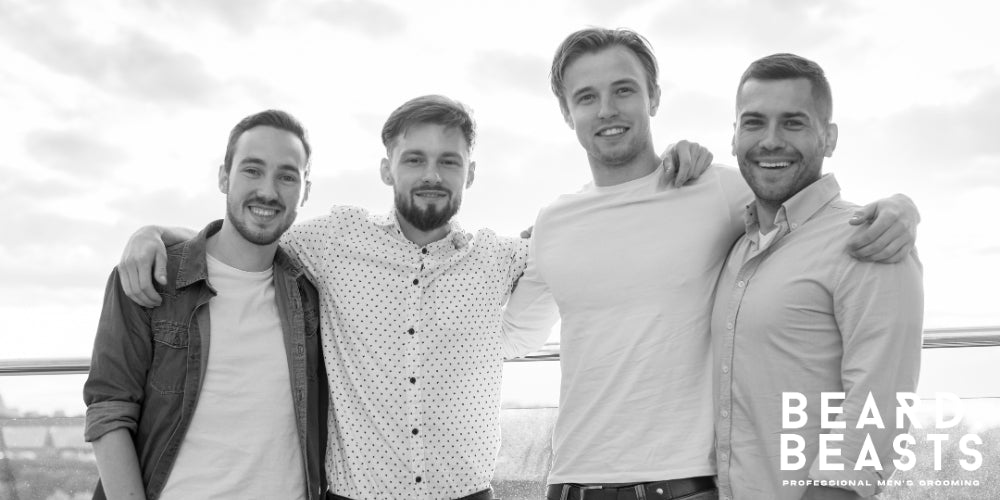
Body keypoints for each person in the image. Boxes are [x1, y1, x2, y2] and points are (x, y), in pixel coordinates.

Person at [114, 95, 709, 499]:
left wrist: (664, 173)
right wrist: (155, 235)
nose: (432, 174)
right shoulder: (332, 241)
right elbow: (246, 232)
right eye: (415, 159)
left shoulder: (504, 257)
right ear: (386, 168)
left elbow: (593, 230)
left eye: (449, 161)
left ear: (470, 174)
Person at [502, 28, 920, 500]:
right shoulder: (553, 221)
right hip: (569, 483)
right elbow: (513, 333)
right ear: (565, 112)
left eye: (624, 90)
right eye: (586, 96)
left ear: (654, 97)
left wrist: (900, 206)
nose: (607, 109)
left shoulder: (716, 190)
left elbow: (810, 201)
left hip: (683, 486)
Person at [83, 110, 328, 499]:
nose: (268, 190)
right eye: (252, 170)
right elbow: (109, 410)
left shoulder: (312, 292)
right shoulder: (153, 277)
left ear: (305, 191)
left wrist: (153, 230)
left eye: (286, 175)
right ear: (223, 177)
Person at [711, 53, 923, 500]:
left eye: (793, 123)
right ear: (733, 137)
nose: (770, 141)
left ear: (828, 138)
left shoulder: (870, 240)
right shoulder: (736, 241)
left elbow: (876, 413)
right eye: (754, 123)